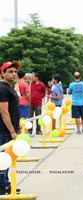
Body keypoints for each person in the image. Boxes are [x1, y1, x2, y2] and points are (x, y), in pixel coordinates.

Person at [0, 61, 21, 195]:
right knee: (3, 158)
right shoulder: (2, 88)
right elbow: (4, 111)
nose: (14, 74)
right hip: (3, 131)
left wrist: (15, 125)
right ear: (3, 73)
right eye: (10, 72)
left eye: (15, 72)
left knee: (7, 158)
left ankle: (6, 184)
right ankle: (2, 186)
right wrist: (12, 131)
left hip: (9, 129)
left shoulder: (9, 87)